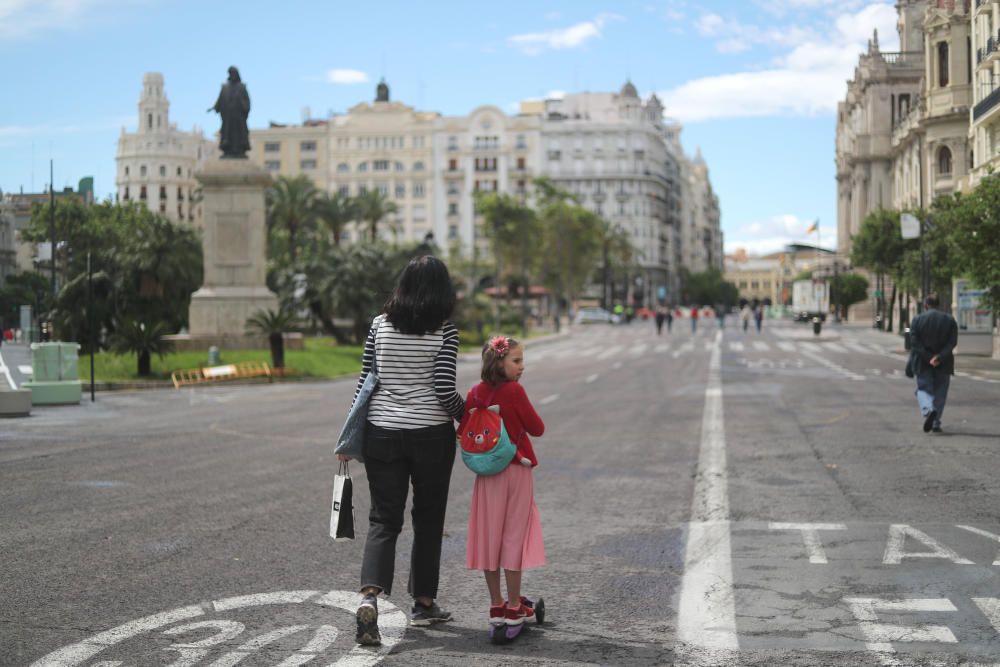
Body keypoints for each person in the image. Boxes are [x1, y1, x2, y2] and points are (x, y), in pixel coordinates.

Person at [338, 255, 465, 646]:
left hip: (382, 433)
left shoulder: (379, 325)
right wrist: (467, 414)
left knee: (383, 520)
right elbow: (444, 389)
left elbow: (365, 383)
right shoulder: (445, 331)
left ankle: (369, 600)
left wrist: (348, 435)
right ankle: (424, 604)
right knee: (428, 519)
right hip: (430, 435)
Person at [463, 335, 546, 631]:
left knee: (489, 537)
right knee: (513, 537)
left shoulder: (474, 392)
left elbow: (463, 431)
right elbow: (537, 428)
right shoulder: (514, 392)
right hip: (515, 470)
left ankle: (496, 605)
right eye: (517, 361)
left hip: (486, 476)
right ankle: (514, 607)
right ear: (500, 361)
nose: (522, 366)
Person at [908, 293, 958, 433]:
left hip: (923, 363)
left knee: (923, 389)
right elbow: (952, 342)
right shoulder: (950, 320)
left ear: (925, 305)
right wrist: (939, 357)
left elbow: (914, 342)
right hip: (944, 362)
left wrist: (928, 357)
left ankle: (928, 409)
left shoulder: (917, 319)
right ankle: (936, 422)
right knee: (940, 392)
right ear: (939, 305)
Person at [208, 66, 251, 158]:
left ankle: (239, 151)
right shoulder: (225, 87)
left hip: (238, 118)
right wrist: (214, 107)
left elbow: (247, 102)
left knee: (238, 135)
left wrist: (242, 105)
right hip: (228, 117)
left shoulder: (242, 87)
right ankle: (228, 150)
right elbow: (220, 100)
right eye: (230, 73)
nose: (232, 75)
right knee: (227, 135)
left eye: (233, 73)